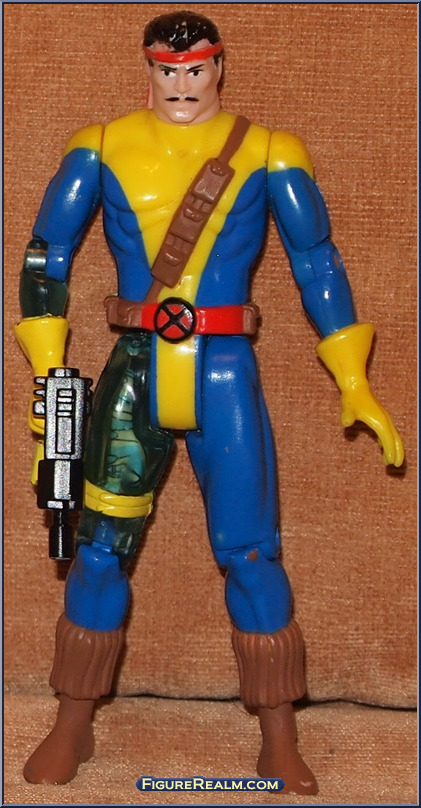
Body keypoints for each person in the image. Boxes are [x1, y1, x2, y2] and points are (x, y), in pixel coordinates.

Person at [15, 10, 404, 793]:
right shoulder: (100, 146)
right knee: (98, 549)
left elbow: (317, 264)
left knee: (252, 553)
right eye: (168, 70)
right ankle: (72, 721)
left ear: (218, 67)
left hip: (224, 369)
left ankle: (278, 736)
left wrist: (351, 377)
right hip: (134, 368)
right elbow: (46, 255)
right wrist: (50, 370)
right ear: (148, 69)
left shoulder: (268, 151)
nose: (182, 85)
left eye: (195, 69)